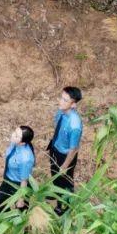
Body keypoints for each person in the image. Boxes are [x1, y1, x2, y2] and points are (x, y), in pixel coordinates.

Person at [46, 86, 83, 215]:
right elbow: (57, 126)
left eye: (65, 100)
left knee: (65, 180)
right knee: (55, 174)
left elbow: (73, 149)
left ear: (73, 104)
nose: (60, 101)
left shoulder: (75, 125)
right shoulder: (61, 112)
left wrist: (65, 166)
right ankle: (56, 193)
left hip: (65, 155)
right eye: (61, 98)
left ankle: (63, 206)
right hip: (55, 148)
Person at [0, 125, 36, 214]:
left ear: (23, 143)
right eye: (14, 132)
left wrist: (21, 199)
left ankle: (23, 225)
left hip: (18, 185)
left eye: (16, 135)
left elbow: (24, 181)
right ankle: (5, 221)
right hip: (8, 180)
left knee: (21, 210)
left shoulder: (26, 158)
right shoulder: (15, 143)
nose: (13, 135)